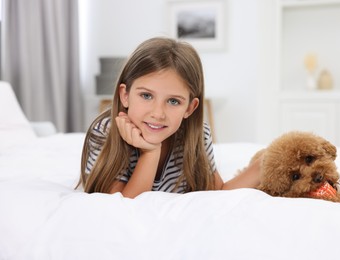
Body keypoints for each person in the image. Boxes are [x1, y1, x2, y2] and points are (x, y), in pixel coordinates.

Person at [77, 37, 262, 198]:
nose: (158, 113)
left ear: (190, 108)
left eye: (173, 101)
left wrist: (263, 165)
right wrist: (150, 152)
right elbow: (124, 207)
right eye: (146, 96)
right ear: (125, 95)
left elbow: (218, 192)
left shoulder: (196, 134)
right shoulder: (105, 132)